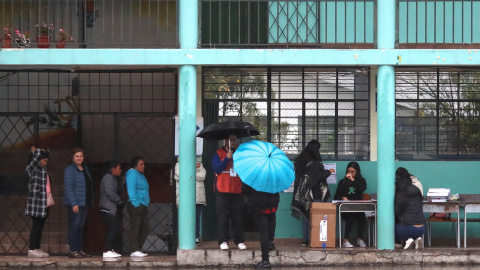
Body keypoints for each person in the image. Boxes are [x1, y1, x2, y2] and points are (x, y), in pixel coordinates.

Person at [291, 139, 335, 246]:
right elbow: (316, 177)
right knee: (318, 217)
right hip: (314, 193)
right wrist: (329, 172)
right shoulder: (313, 162)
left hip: (304, 194)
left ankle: (305, 239)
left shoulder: (302, 161)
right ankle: (317, 238)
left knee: (306, 216)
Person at [212, 133, 246, 250]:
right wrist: (227, 158)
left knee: (238, 216)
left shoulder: (240, 154)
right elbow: (217, 168)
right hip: (222, 189)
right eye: (232, 139)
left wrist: (234, 158)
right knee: (223, 216)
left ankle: (239, 241)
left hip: (237, 189)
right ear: (226, 141)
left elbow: (244, 169)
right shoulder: (218, 153)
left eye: (235, 140)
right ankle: (223, 240)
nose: (234, 142)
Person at [64, 147, 94, 258]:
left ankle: (80, 249)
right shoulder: (69, 170)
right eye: (77, 156)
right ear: (73, 157)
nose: (79, 158)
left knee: (81, 227)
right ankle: (73, 250)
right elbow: (68, 188)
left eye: (81, 156)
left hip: (84, 203)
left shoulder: (85, 169)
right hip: (76, 204)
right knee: (74, 226)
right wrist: (73, 203)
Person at [243, 184, 279, 269]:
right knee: (271, 224)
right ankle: (270, 242)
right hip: (272, 204)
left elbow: (245, 189)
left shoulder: (255, 173)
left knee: (263, 232)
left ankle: (265, 260)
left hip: (259, 205)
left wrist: (249, 200)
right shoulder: (273, 173)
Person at [25, 146, 51, 258]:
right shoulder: (32, 168)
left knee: (40, 226)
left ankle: (36, 248)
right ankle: (31, 249)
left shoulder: (43, 169)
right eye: (43, 159)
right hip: (36, 203)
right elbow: (35, 160)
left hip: (43, 202)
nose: (45, 161)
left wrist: (46, 152)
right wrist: (37, 152)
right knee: (36, 226)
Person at [334, 161, 367, 247]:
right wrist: (342, 198)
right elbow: (336, 196)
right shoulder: (343, 182)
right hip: (346, 208)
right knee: (351, 214)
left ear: (357, 172)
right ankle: (345, 240)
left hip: (358, 207)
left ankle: (360, 238)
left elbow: (362, 188)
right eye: (349, 171)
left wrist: (353, 180)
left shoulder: (361, 181)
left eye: (353, 172)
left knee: (362, 216)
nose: (350, 173)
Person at [174, 160, 206, 246]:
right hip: (184, 197)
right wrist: (194, 169)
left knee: (196, 218)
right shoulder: (178, 164)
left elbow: (202, 176)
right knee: (184, 218)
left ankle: (196, 237)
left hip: (198, 196)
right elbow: (179, 175)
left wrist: (188, 173)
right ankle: (183, 238)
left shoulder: (199, 164)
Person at [99, 161, 126, 258]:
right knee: (113, 229)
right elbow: (110, 192)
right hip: (108, 208)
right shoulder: (108, 178)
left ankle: (111, 249)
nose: (120, 170)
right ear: (113, 169)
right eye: (119, 168)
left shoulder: (114, 179)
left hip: (112, 208)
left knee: (114, 228)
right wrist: (119, 201)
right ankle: (107, 250)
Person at [394, 167, 425, 250]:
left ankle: (408, 239)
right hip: (422, 228)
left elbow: (397, 213)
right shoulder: (416, 189)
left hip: (409, 228)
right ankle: (417, 239)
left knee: (392, 226)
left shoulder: (401, 192)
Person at [126, 156, 150, 257]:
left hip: (143, 204)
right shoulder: (132, 174)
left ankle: (137, 248)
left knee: (145, 228)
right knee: (136, 227)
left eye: (143, 164)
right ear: (135, 166)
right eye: (140, 164)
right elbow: (131, 190)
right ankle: (134, 249)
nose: (143, 166)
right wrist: (136, 203)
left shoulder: (140, 175)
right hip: (136, 204)